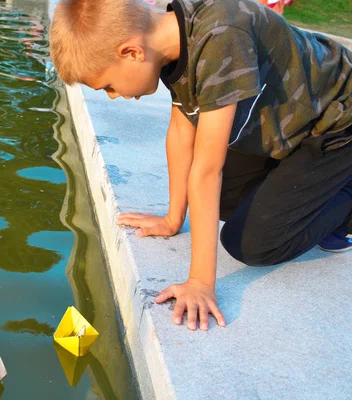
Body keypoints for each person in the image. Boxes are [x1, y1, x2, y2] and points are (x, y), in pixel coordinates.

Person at [50, 0, 352, 330]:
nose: (111, 95)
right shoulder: (170, 39)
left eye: (108, 86)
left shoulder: (221, 35)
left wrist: (200, 282)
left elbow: (208, 170)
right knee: (218, 202)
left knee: (252, 243)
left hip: (334, 123)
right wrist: (173, 217)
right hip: (293, 122)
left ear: (132, 52)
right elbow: (182, 131)